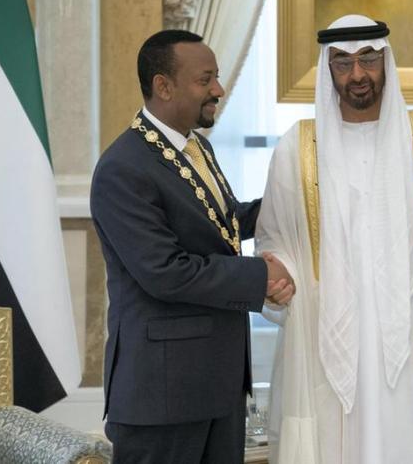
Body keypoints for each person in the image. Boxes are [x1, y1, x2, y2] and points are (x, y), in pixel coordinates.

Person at [256, 15, 413, 463]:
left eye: (368, 59)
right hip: (327, 339)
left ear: (386, 61)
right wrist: (277, 270)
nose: (358, 75)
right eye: (343, 63)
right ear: (328, 69)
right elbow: (275, 238)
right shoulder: (297, 148)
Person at [90, 30, 294, 464]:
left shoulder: (194, 146)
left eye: (216, 78)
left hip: (216, 385)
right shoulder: (123, 168)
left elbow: (221, 225)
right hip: (162, 395)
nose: (218, 90)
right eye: (206, 80)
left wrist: (294, 202)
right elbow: (164, 271)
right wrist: (261, 276)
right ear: (164, 86)